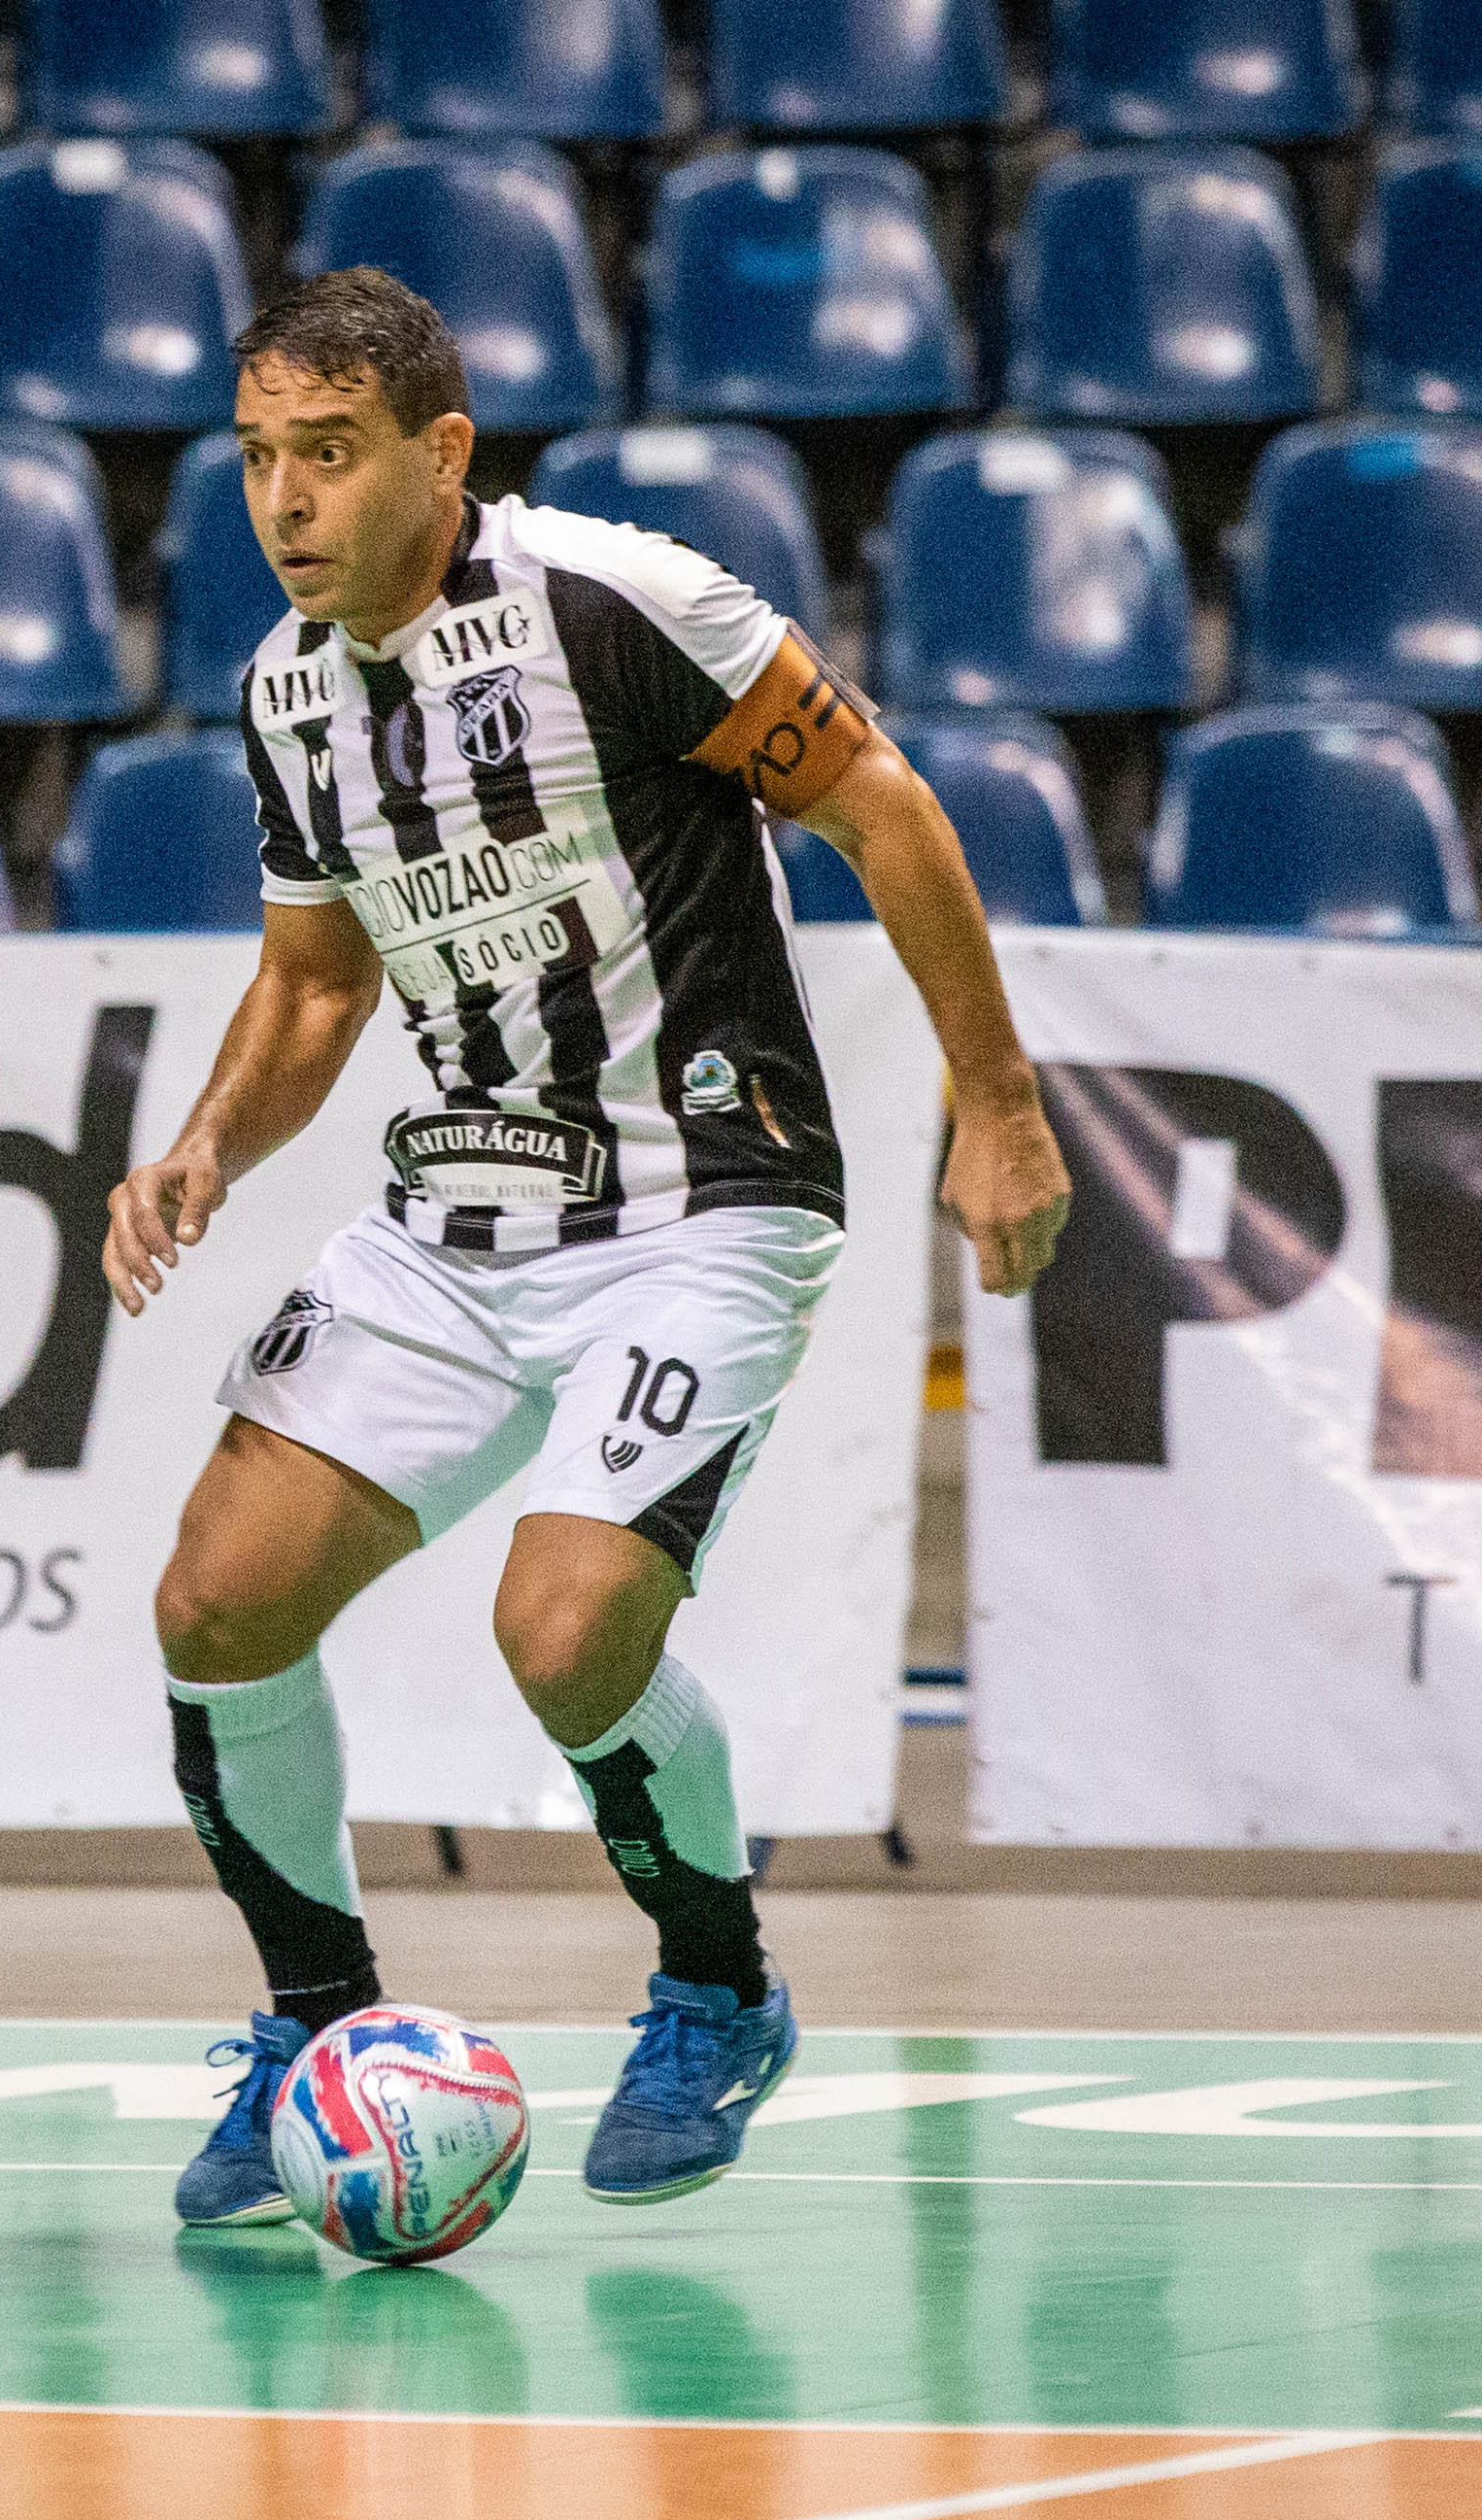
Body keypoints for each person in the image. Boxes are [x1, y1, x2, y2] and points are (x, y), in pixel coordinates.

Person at [112, 269, 1073, 2221]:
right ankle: (313, 2022)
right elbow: (314, 987)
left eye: (327, 455)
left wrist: (997, 1100)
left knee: (561, 1628)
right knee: (216, 1603)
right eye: (256, 461)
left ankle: (717, 1989)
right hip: (455, 1219)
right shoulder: (289, 687)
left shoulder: (616, 601)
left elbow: (881, 809)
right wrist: (206, 1139)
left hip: (702, 1201)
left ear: (438, 451)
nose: (284, 502)